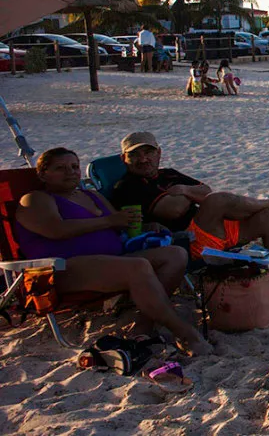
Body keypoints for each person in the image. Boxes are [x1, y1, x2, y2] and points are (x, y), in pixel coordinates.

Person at [17, 147, 213, 355]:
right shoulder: (35, 199)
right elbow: (56, 229)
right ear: (43, 174)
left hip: (111, 260)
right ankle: (185, 334)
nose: (71, 172)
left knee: (175, 255)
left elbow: (119, 225)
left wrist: (145, 226)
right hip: (63, 268)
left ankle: (144, 325)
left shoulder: (91, 196)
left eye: (74, 166)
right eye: (61, 168)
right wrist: (108, 221)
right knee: (137, 266)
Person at [110, 132, 269, 286]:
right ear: (123, 159)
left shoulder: (169, 174)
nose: (143, 159)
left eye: (148, 152)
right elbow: (174, 210)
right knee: (216, 201)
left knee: (265, 218)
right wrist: (193, 196)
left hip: (211, 230)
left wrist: (183, 190)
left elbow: (205, 190)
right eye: (135, 155)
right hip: (185, 243)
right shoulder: (128, 185)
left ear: (159, 153)